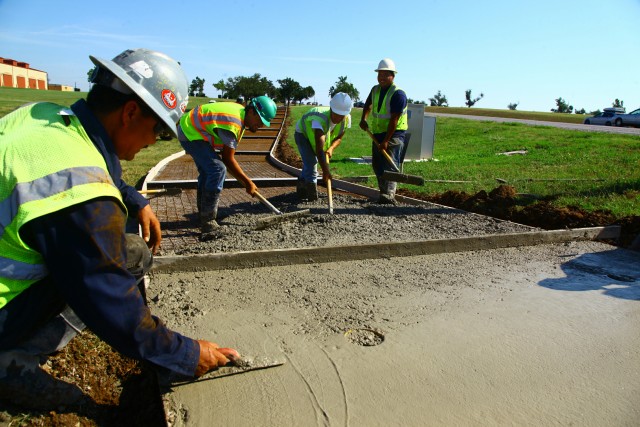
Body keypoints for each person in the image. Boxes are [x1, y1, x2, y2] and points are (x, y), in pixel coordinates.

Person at [0, 48, 239, 408]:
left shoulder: (44, 117)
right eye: (159, 131)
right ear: (130, 112)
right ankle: (13, 363)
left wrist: (136, 199)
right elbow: (106, 293)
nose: (152, 141)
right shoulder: (81, 195)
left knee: (124, 250)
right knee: (118, 263)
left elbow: (93, 165)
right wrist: (187, 355)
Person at [177, 95, 277, 239]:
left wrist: (245, 182)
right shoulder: (233, 123)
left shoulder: (240, 114)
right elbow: (228, 160)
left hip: (192, 128)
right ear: (251, 112)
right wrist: (248, 182)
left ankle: (203, 214)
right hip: (190, 131)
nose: (261, 125)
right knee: (218, 169)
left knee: (209, 171)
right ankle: (208, 222)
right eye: (260, 120)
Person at [359, 58, 408, 204]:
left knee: (390, 165)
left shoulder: (398, 94)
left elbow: (394, 119)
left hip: (394, 135)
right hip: (378, 134)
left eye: (385, 75)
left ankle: (389, 196)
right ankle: (383, 194)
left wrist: (386, 141)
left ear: (392, 76)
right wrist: (364, 119)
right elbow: (367, 105)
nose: (381, 78)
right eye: (379, 74)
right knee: (377, 165)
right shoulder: (375, 90)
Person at [294, 92, 353, 201]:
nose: (339, 118)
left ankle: (302, 185)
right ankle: (312, 195)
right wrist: (326, 171)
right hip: (302, 134)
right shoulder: (319, 119)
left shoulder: (346, 119)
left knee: (309, 162)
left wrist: (331, 148)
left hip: (314, 138)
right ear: (331, 109)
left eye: (342, 116)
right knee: (312, 161)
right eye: (336, 114)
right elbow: (319, 149)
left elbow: (339, 138)